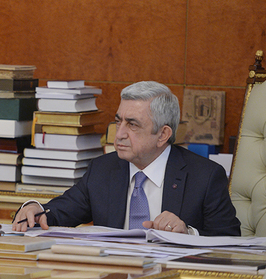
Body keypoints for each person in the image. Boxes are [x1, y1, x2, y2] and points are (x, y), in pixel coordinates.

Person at [13, 81, 241, 236]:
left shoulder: (204, 176)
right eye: (118, 121)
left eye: (132, 125)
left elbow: (230, 241)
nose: (119, 133)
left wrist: (188, 233)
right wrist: (34, 208)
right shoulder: (103, 169)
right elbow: (59, 212)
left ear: (163, 135)